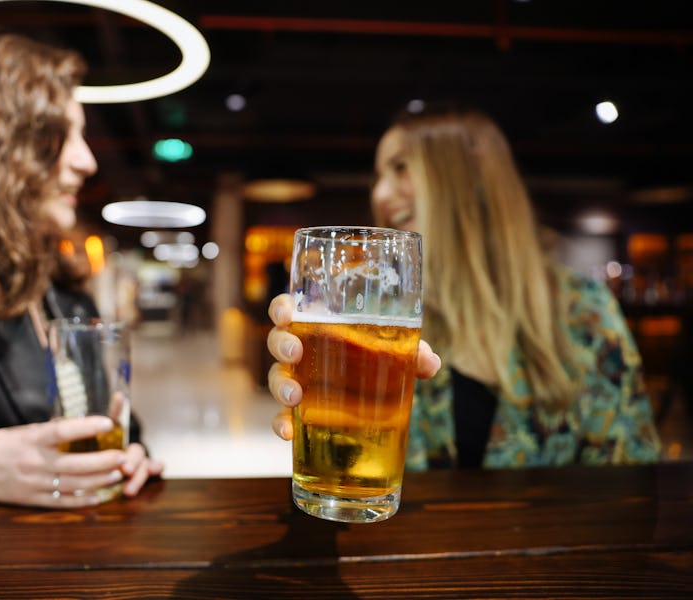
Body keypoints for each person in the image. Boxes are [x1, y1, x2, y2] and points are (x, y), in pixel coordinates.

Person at [267, 106, 661, 469]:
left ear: (469, 178)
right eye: (378, 177)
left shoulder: (582, 309)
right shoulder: (375, 311)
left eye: (401, 167)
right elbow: (347, 473)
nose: (380, 194)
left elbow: (632, 475)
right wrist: (312, 401)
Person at [0, 34, 162, 509]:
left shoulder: (55, 280)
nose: (87, 161)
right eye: (59, 134)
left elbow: (112, 420)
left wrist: (130, 454)